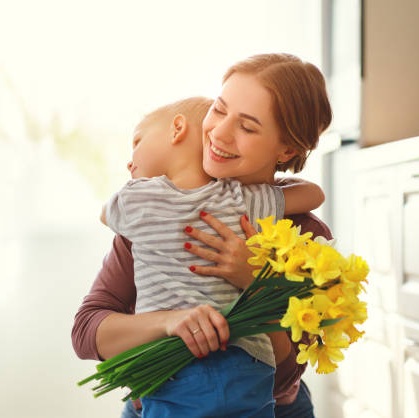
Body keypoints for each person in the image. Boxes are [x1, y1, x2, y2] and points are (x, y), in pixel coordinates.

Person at [72, 52, 333, 417]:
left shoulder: (307, 237)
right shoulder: (164, 209)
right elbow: (86, 332)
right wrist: (168, 322)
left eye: (248, 126)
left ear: (286, 148)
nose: (219, 132)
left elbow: (285, 372)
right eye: (220, 109)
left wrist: (255, 282)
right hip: (157, 403)